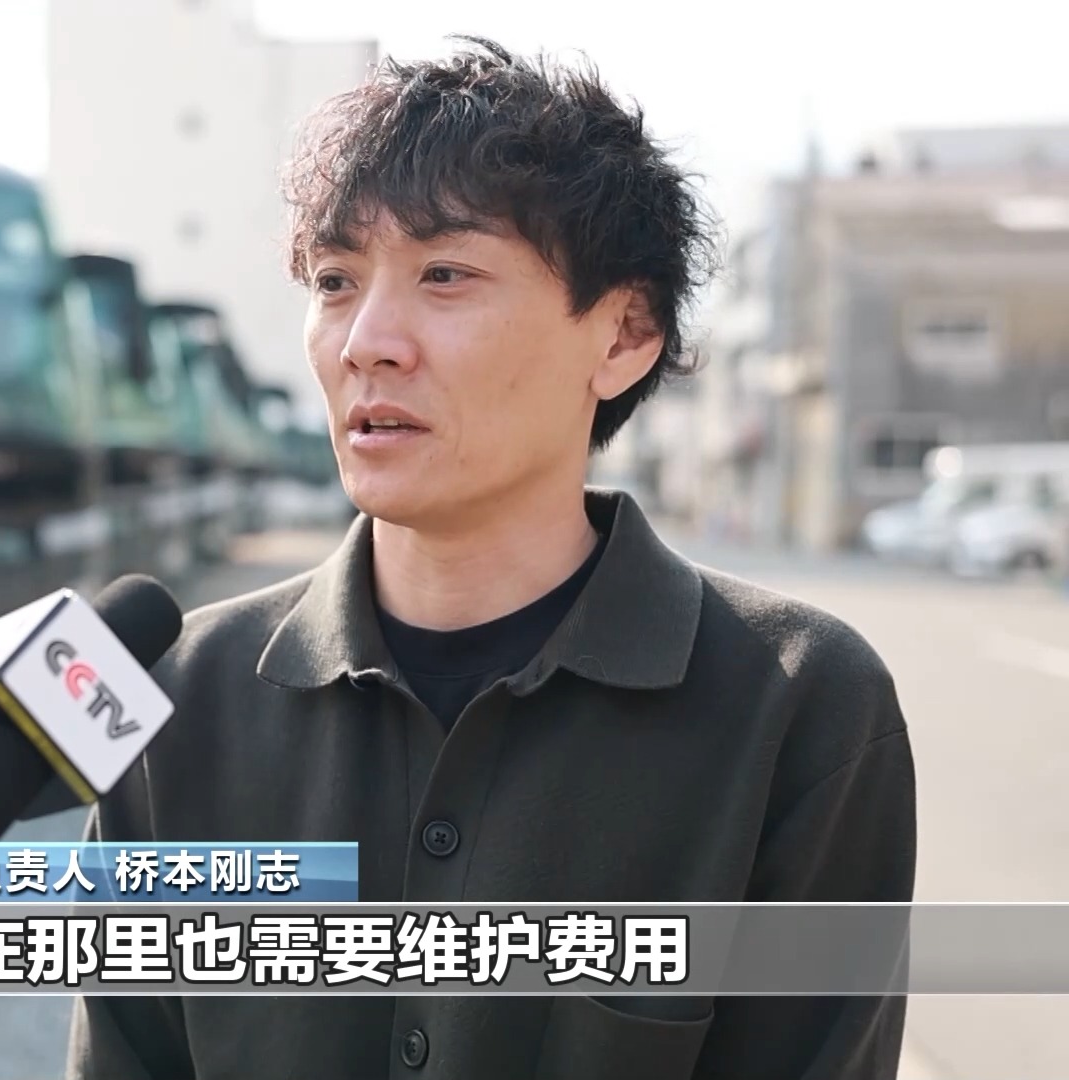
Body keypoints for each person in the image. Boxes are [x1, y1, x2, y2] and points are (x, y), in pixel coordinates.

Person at [64, 36, 916, 1080]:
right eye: (334, 280)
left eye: (446, 274)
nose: (367, 340)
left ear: (623, 335)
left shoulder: (799, 706)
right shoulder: (173, 701)